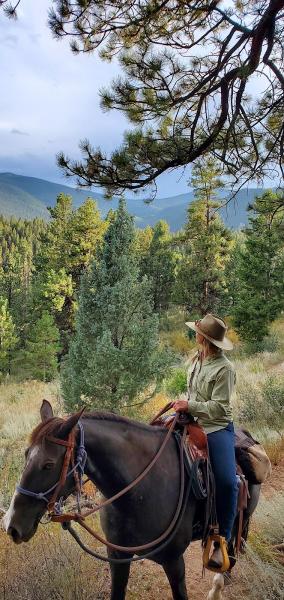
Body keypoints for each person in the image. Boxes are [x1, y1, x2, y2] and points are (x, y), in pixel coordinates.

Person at [173, 313, 238, 568]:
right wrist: (184, 406)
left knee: (226, 481)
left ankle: (223, 539)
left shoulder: (225, 368)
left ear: (205, 337)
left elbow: (220, 408)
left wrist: (191, 405)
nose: (194, 333)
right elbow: (193, 393)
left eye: (197, 331)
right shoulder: (196, 359)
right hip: (191, 419)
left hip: (215, 427)